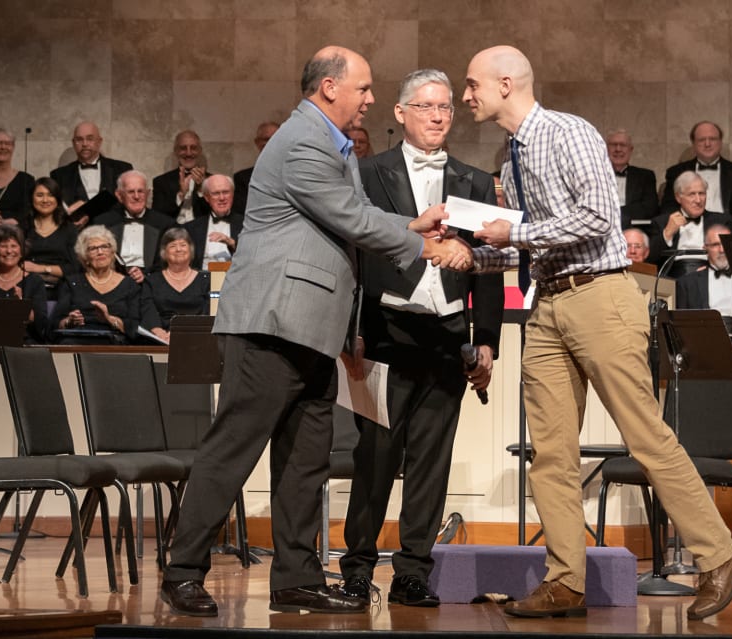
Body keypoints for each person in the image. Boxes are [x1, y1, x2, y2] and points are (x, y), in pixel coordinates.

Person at [159, 45, 471, 619]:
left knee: (305, 460)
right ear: (329, 87)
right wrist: (423, 244)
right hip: (273, 324)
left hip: (313, 329)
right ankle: (182, 571)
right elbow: (347, 217)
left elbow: (348, 211)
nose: (371, 98)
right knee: (233, 451)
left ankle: (296, 579)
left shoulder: (330, 143)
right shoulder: (303, 139)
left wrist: (408, 221)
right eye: (364, 87)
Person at [463, 45, 732, 621]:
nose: (467, 95)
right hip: (548, 305)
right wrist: (465, 256)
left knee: (645, 435)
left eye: (473, 84)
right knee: (551, 451)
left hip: (601, 295)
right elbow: (530, 247)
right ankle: (565, 579)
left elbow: (596, 218)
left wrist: (511, 235)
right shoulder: (510, 156)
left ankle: (717, 553)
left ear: (507, 82)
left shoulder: (569, 133)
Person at [337, 69, 504, 608]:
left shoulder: (476, 180)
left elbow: (492, 267)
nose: (438, 116)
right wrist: (352, 331)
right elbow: (353, 259)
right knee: (376, 457)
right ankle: (358, 568)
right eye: (427, 106)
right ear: (401, 113)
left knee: (432, 459)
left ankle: (413, 571)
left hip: (447, 334)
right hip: (384, 332)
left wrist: (488, 340)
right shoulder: (366, 173)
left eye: (447, 107)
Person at [50, 225, 140, 345]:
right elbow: (55, 323)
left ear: (113, 252)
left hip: (116, 340)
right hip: (77, 339)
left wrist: (108, 319)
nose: (100, 252)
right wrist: (69, 321)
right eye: (93, 248)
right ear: (85, 257)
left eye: (104, 246)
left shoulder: (129, 285)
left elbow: (134, 326)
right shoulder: (71, 283)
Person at [660, 121, 732, 230]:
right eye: (701, 140)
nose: (707, 144)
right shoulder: (676, 172)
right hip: (688, 227)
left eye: (712, 139)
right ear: (693, 143)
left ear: (720, 142)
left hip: (727, 229)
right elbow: (668, 206)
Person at [95, 170, 175, 283]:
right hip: (112, 282)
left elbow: (169, 261)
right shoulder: (103, 223)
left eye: (141, 191)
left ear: (148, 193)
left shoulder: (165, 224)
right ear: (119, 195)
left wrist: (146, 274)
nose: (136, 196)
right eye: (131, 192)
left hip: (152, 283)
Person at [649, 171, 732, 278]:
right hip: (672, 278)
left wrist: (712, 268)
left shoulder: (722, 222)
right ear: (678, 197)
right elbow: (650, 259)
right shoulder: (661, 222)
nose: (698, 200)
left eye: (701, 193)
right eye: (692, 194)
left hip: (709, 275)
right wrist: (667, 234)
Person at [49, 121, 133, 227]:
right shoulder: (58, 175)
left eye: (90, 139)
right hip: (77, 236)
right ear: (74, 143)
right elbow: (57, 213)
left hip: (114, 232)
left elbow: (128, 205)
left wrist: (89, 208)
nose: (84, 144)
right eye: (79, 139)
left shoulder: (122, 169)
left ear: (99, 142)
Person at [140, 227, 210, 344]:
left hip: (198, 338)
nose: (178, 249)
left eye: (183, 245)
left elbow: (209, 312)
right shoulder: (151, 281)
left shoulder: (207, 280)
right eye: (172, 246)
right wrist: (159, 333)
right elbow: (148, 310)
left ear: (191, 250)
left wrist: (181, 333)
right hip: (161, 339)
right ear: (164, 252)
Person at [0, 226, 48, 344]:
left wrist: (21, 307)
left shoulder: (35, 281)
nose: (9, 251)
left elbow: (41, 324)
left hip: (24, 342)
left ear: (21, 251)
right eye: (3, 246)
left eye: (14, 246)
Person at [22, 177, 80, 300]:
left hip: (62, 288)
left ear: (57, 199)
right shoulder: (23, 227)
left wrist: (40, 268)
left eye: (50, 195)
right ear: (31, 198)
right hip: (28, 286)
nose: (45, 200)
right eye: (39, 195)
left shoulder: (69, 229)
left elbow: (74, 268)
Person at [184, 174, 243, 269]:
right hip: (202, 281)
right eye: (216, 193)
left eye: (226, 192)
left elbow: (254, 257)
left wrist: (232, 244)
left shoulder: (246, 224)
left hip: (236, 280)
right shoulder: (191, 228)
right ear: (207, 197)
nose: (222, 198)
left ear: (233, 194)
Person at [152, 130, 211, 223]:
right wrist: (181, 194)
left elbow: (215, 215)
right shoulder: (161, 182)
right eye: (183, 148)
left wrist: (201, 189)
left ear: (200, 151)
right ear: (176, 151)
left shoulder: (213, 181)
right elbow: (157, 217)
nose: (188, 153)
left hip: (202, 234)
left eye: (193, 148)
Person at [605, 129, 658, 229]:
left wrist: (615, 213)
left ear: (631, 150)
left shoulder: (645, 176)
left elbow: (650, 208)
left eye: (623, 145)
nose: (618, 149)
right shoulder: (596, 175)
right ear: (605, 149)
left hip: (635, 229)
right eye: (613, 144)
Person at [233, 121, 280, 216]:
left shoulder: (293, 174)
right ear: (257, 143)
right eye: (266, 139)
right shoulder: (242, 178)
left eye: (276, 138)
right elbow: (241, 212)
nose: (271, 142)